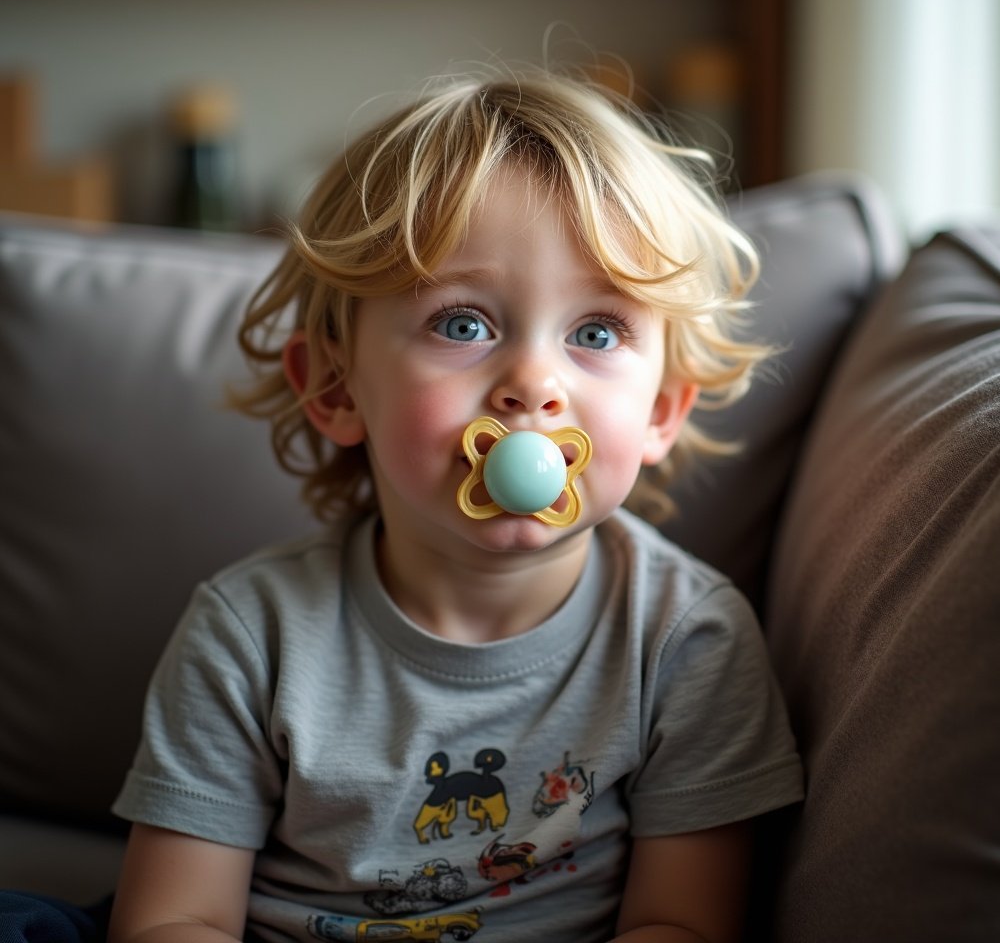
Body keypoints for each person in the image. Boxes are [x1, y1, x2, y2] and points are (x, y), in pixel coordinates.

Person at [108, 68, 804, 943]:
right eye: (463, 324)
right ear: (334, 387)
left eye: (595, 333)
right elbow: (173, 920)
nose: (532, 386)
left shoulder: (685, 641)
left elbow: (680, 923)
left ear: (662, 409)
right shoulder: (250, 636)